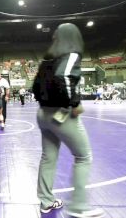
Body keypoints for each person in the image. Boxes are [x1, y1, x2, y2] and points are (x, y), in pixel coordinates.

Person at [32, 23, 104, 218]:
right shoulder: (71, 54)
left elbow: (35, 87)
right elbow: (63, 76)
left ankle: (46, 202)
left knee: (48, 158)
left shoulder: (48, 58)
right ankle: (78, 206)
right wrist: (74, 103)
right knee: (83, 156)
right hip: (61, 114)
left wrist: (46, 104)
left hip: (43, 114)